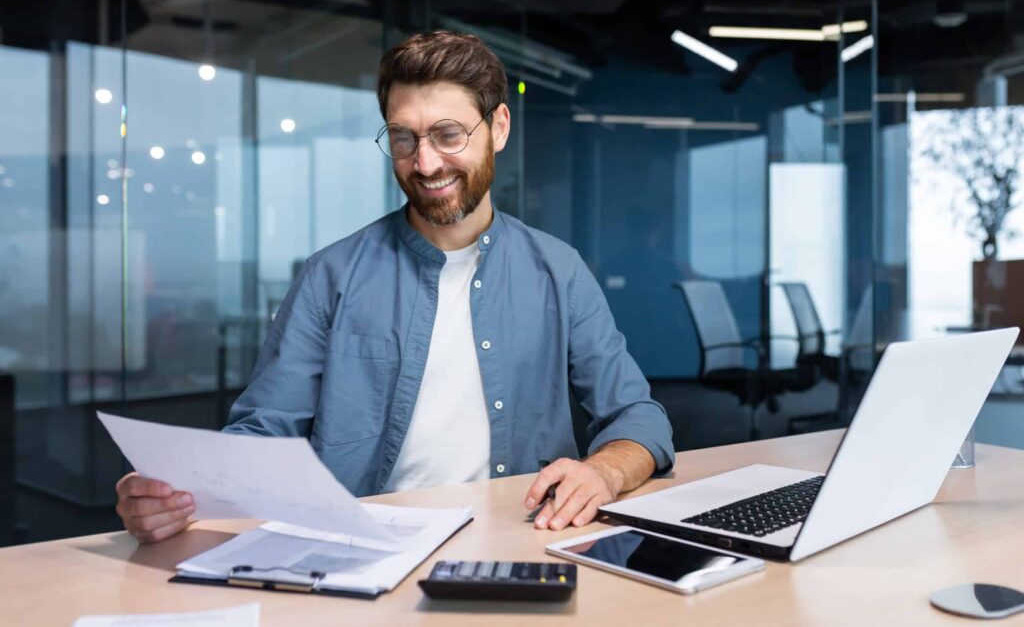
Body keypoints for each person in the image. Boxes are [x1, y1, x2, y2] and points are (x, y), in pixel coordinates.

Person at [115, 31, 674, 544]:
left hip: (520, 538)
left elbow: (637, 416)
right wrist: (177, 494)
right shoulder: (330, 276)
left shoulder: (559, 271)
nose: (425, 163)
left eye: (448, 135)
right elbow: (265, 430)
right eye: (404, 138)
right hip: (363, 548)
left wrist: (603, 471)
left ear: (499, 128)